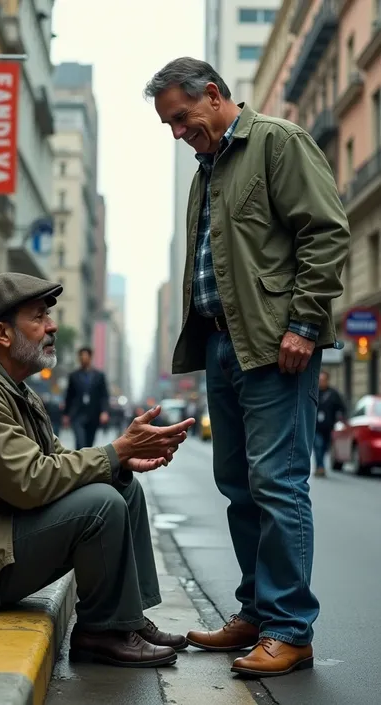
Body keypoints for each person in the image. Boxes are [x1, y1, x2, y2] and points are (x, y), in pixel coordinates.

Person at [145, 58, 350, 677]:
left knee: (278, 485)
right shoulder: (205, 171)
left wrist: (304, 324)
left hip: (273, 344)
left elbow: (327, 231)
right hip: (220, 344)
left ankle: (291, 629)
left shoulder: (277, 142)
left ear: (213, 95)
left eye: (181, 118)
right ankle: (257, 611)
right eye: (169, 125)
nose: (178, 132)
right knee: (237, 485)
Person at [0, 272, 195, 669]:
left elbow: (56, 462)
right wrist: (114, 451)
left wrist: (119, 460)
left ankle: (127, 618)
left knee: (121, 487)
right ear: (2, 334)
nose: (52, 325)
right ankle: (101, 632)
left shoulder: (14, 389)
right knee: (100, 505)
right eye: (39, 316)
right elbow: (32, 482)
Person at [63, 347, 110, 449]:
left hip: (93, 414)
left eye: (85, 356)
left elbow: (104, 395)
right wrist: (66, 414)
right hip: (77, 414)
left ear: (90, 357)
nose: (83, 359)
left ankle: (85, 463)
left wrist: (104, 412)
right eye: (81, 357)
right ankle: (79, 463)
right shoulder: (73, 375)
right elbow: (68, 396)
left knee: (89, 444)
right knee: (80, 442)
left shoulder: (99, 376)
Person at [313, 370, 347, 477]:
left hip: (328, 427)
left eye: (323, 380)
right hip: (315, 426)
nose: (321, 382)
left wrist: (340, 418)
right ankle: (320, 467)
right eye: (320, 380)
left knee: (324, 447)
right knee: (318, 445)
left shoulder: (333, 394)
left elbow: (341, 408)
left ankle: (320, 466)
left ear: (327, 380)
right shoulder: (313, 392)